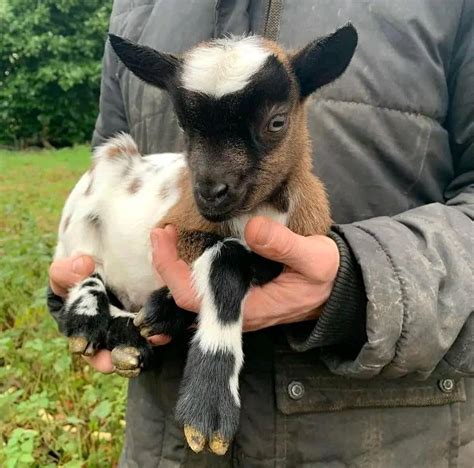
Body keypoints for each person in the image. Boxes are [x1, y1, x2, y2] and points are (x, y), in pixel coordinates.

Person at [48, 1, 474, 466]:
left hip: (383, 438)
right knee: (115, 159)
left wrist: (366, 285)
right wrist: (79, 285)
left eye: (270, 124)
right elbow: (104, 165)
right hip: (166, 444)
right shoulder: (136, 7)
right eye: (189, 130)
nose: (212, 181)